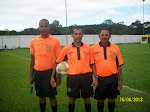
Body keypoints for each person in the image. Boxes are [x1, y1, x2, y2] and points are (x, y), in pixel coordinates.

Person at [51, 27, 94, 112]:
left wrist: (95, 77)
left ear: (82, 35)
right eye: (76, 34)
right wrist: (54, 77)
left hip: (86, 77)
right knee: (72, 99)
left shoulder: (88, 48)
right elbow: (57, 63)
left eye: (80, 34)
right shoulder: (66, 49)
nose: (78, 36)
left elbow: (92, 63)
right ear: (72, 35)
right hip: (72, 78)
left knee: (87, 99)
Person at [29, 19, 61, 112]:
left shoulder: (55, 41)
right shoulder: (34, 41)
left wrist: (58, 77)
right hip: (37, 73)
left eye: (45, 26)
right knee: (41, 95)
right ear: (39, 27)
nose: (43, 28)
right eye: (41, 26)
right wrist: (31, 76)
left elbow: (58, 61)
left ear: (49, 27)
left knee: (52, 96)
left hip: (50, 73)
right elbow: (32, 60)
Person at [90, 28, 123, 112]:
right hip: (100, 79)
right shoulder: (93, 48)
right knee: (100, 100)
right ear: (99, 36)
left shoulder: (115, 48)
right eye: (102, 35)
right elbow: (92, 65)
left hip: (112, 78)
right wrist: (94, 78)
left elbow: (119, 65)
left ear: (110, 36)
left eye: (106, 35)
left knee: (111, 99)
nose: (104, 36)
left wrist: (120, 79)